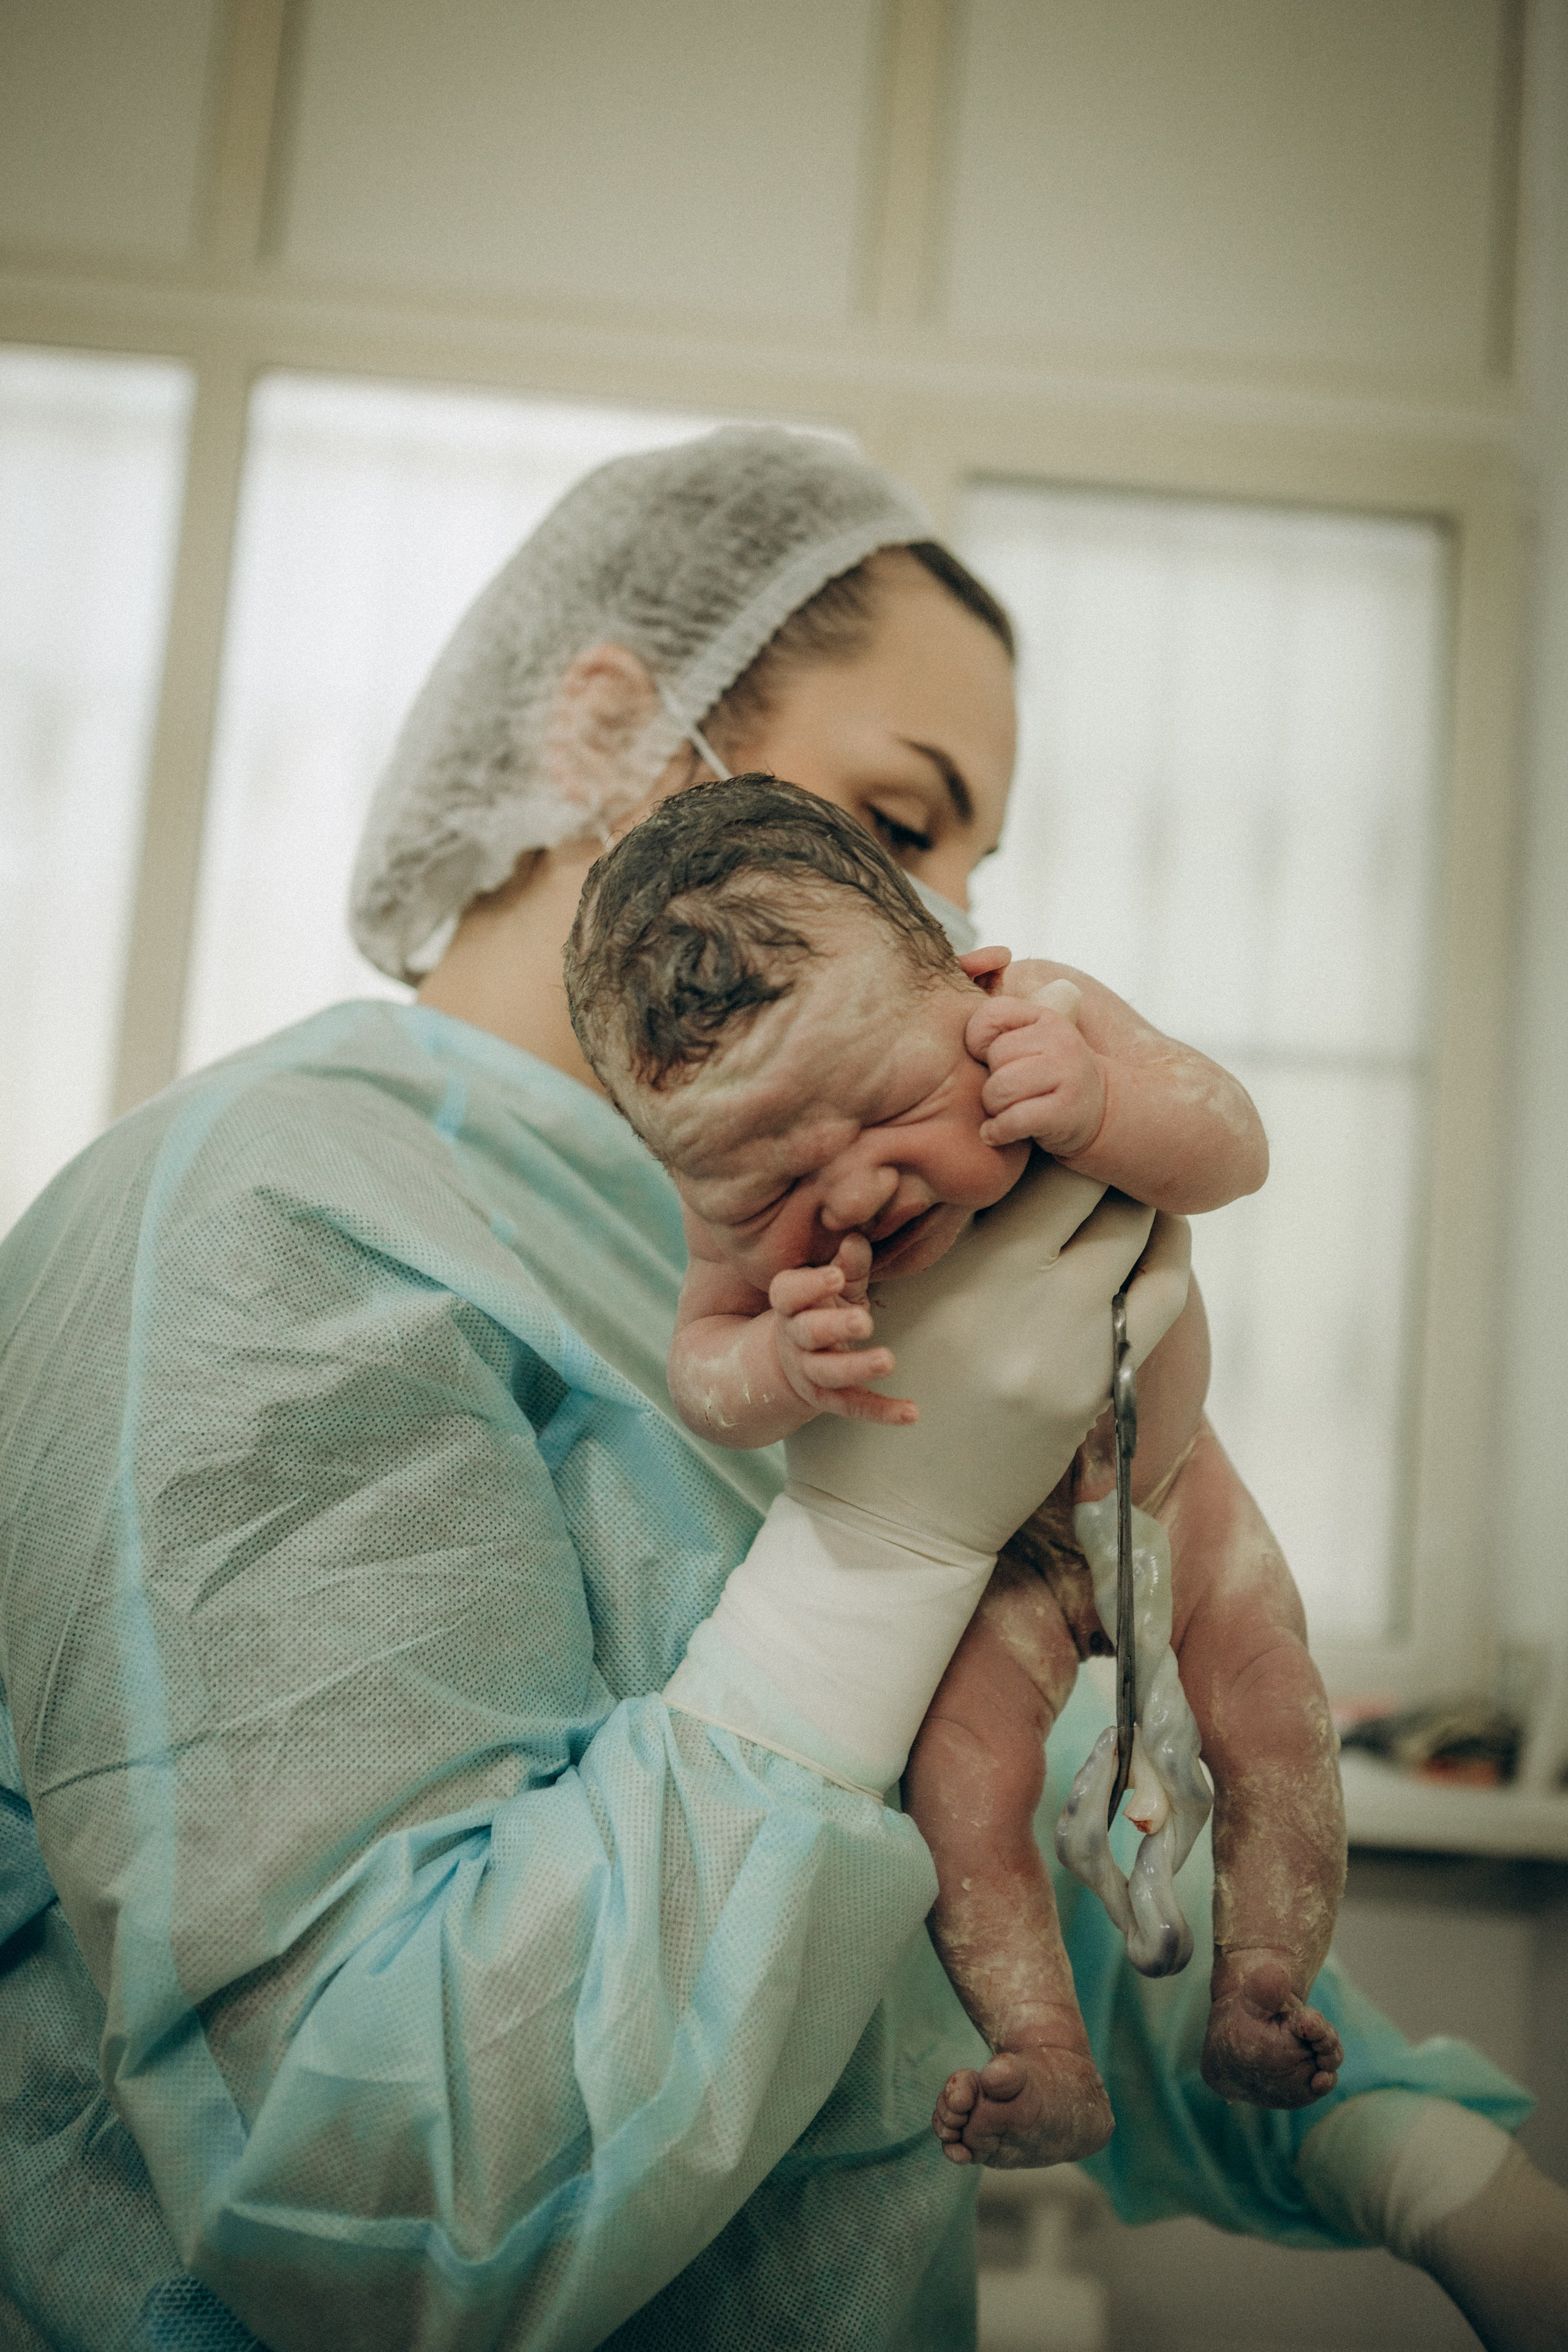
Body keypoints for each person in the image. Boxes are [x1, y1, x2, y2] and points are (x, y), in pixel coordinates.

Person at [0, 426, 1561, 2352]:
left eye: (977, 872)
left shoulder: (838, 1244)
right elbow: (373, 2167)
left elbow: (1007, 1828)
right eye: (901, 830)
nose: (959, 939)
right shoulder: (252, 1220)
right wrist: (870, 1555)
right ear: (613, 743)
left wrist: (1411, 2156)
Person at [564, 771, 1348, 2169]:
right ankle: (1042, 2048)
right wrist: (778, 1369)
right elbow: (702, 1370)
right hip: (990, 1566)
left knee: (1273, 1705)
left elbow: (1230, 1145)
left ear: (970, 983)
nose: (851, 1193)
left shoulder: (1043, 1014)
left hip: (1174, 1492)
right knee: (961, 1788)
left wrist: (1105, 1099)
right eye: (764, 1188)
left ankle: (1264, 1976)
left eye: (888, 1105)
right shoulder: (723, 1219)